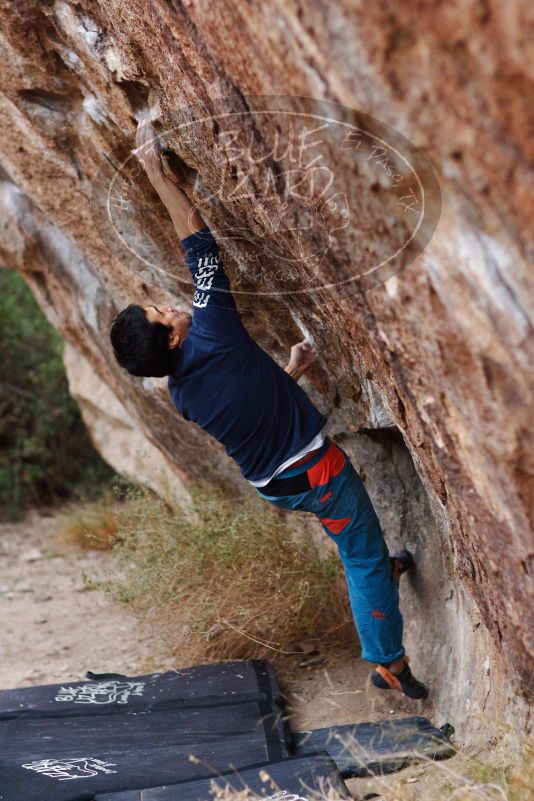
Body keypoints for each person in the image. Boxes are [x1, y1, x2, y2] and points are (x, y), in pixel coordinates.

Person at [109, 121, 428, 699]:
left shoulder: (181, 391)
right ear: (174, 340)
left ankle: (381, 569)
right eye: (162, 312)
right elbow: (199, 245)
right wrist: (155, 170)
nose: (169, 304)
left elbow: (248, 406)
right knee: (359, 555)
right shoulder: (214, 331)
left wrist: (291, 371)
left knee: (359, 546)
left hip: (275, 480)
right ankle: (388, 661)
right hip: (314, 472)